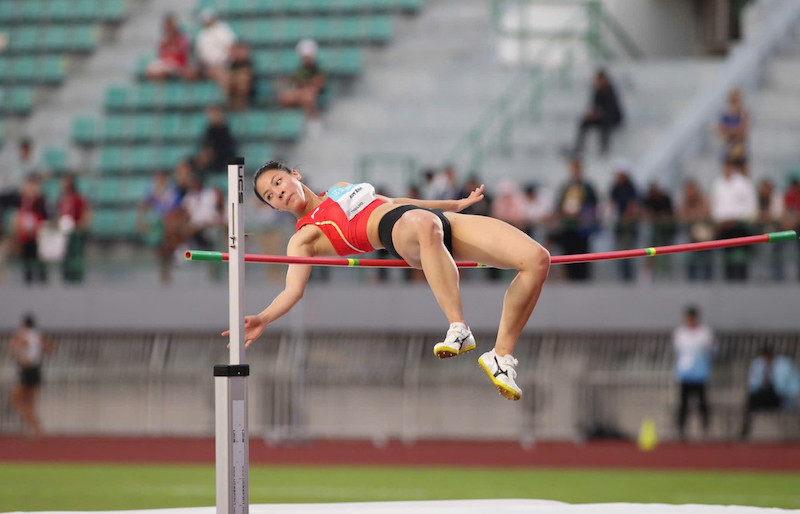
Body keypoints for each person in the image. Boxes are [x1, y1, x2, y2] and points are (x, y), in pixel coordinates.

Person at [232, 161, 552, 401]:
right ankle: (459, 328)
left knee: (537, 260)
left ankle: (500, 356)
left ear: (295, 175)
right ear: (272, 206)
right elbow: (292, 290)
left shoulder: (340, 187)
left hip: (432, 219)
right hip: (401, 231)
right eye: (271, 196)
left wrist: (451, 205)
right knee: (423, 224)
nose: (279, 192)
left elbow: (392, 201)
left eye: (278, 182)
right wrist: (263, 318)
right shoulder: (303, 237)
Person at [8, 313, 54, 438]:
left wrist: (19, 355)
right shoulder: (38, 335)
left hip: (26, 369)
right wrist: (38, 353)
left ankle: (35, 425)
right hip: (36, 369)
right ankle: (33, 429)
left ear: (24, 324)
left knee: (16, 401)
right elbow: (50, 348)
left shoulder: (21, 335)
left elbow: (12, 349)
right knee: (30, 401)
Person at [740, 345, 800, 440]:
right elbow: (753, 382)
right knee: (752, 399)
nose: (766, 359)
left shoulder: (784, 364)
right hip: (763, 394)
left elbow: (793, 382)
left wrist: (787, 393)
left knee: (755, 398)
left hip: (780, 395)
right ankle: (745, 427)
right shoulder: (758, 364)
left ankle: (746, 426)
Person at [552, 157, 598, 281]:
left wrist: (584, 215)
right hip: (568, 226)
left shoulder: (587, 187)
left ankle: (583, 278)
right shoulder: (566, 186)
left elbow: (593, 205)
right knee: (568, 254)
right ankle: (570, 278)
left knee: (582, 254)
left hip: (581, 226)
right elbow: (559, 204)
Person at [710, 159, 757, 281]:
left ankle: (742, 279)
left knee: (741, 257)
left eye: (729, 165)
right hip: (723, 227)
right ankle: (728, 279)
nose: (726, 168)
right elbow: (715, 206)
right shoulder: (718, 183)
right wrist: (720, 220)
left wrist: (735, 219)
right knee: (726, 257)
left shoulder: (743, 183)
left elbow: (750, 207)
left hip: (740, 226)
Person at [672, 305, 714, 440]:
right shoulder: (680, 333)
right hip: (685, 375)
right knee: (683, 404)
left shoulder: (704, 333)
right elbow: (678, 353)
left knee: (702, 403)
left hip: (700, 374)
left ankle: (705, 429)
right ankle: (682, 430)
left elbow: (711, 351)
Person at [573, 69, 624, 155]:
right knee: (584, 122)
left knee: (605, 122)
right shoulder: (597, 91)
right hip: (601, 117)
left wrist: (599, 114)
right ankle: (579, 147)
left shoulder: (610, 91)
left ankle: (604, 149)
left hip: (612, 118)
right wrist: (591, 114)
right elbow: (594, 106)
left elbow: (612, 109)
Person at [55, 173, 92, 284]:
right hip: (64, 232)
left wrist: (82, 224)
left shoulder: (78, 198)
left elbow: (86, 211)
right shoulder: (61, 199)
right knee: (65, 254)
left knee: (76, 254)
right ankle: (67, 276)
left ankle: (77, 276)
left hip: (76, 231)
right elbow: (59, 213)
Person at [277, 39, 326, 120]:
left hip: (312, 96)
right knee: (284, 97)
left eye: (308, 57)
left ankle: (314, 120)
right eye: (305, 57)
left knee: (308, 97)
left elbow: (316, 87)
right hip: (301, 93)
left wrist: (302, 89)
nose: (306, 60)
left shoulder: (317, 70)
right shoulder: (300, 70)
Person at [609, 165, 640, 282]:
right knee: (620, 253)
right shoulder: (615, 188)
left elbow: (634, 206)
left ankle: (629, 278)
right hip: (619, 226)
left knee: (629, 254)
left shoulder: (631, 188)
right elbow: (612, 204)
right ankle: (623, 278)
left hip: (630, 227)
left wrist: (628, 217)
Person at [194, 8, 237, 94]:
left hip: (224, 64)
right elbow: (199, 54)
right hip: (207, 66)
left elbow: (231, 47)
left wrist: (226, 63)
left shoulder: (223, 29)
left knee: (224, 76)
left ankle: (225, 98)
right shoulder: (201, 34)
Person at [15, 175, 49, 285]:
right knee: (27, 254)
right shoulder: (22, 200)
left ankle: (42, 278)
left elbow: (44, 215)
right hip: (25, 232)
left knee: (38, 254)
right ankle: (28, 278)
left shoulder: (40, 200)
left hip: (37, 231)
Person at [679, 179, 714, 281]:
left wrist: (696, 221)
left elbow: (707, 216)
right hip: (691, 239)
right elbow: (682, 218)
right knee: (691, 260)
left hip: (706, 239)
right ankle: (691, 279)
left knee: (707, 260)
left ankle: (708, 279)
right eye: (688, 194)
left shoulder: (704, 201)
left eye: (693, 193)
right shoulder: (684, 204)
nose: (691, 196)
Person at [145, 13, 192, 81]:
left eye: (170, 25)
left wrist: (172, 42)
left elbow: (184, 53)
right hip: (165, 62)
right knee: (150, 70)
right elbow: (160, 53)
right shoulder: (164, 39)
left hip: (177, 64)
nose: (169, 27)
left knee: (161, 73)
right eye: (167, 25)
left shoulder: (182, 38)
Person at [194, 105, 237, 176]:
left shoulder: (227, 133)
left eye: (216, 113)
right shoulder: (209, 131)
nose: (213, 116)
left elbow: (230, 152)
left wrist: (212, 154)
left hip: (223, 163)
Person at [717, 87, 750, 164]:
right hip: (728, 148)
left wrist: (729, 131)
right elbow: (720, 130)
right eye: (732, 100)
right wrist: (734, 131)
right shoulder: (724, 115)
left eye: (736, 100)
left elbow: (743, 130)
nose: (734, 103)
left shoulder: (743, 114)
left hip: (740, 149)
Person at [227, 42, 255, 110]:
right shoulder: (232, 64)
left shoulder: (249, 63)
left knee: (242, 83)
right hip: (233, 87)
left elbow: (249, 75)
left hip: (251, 90)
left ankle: (242, 107)